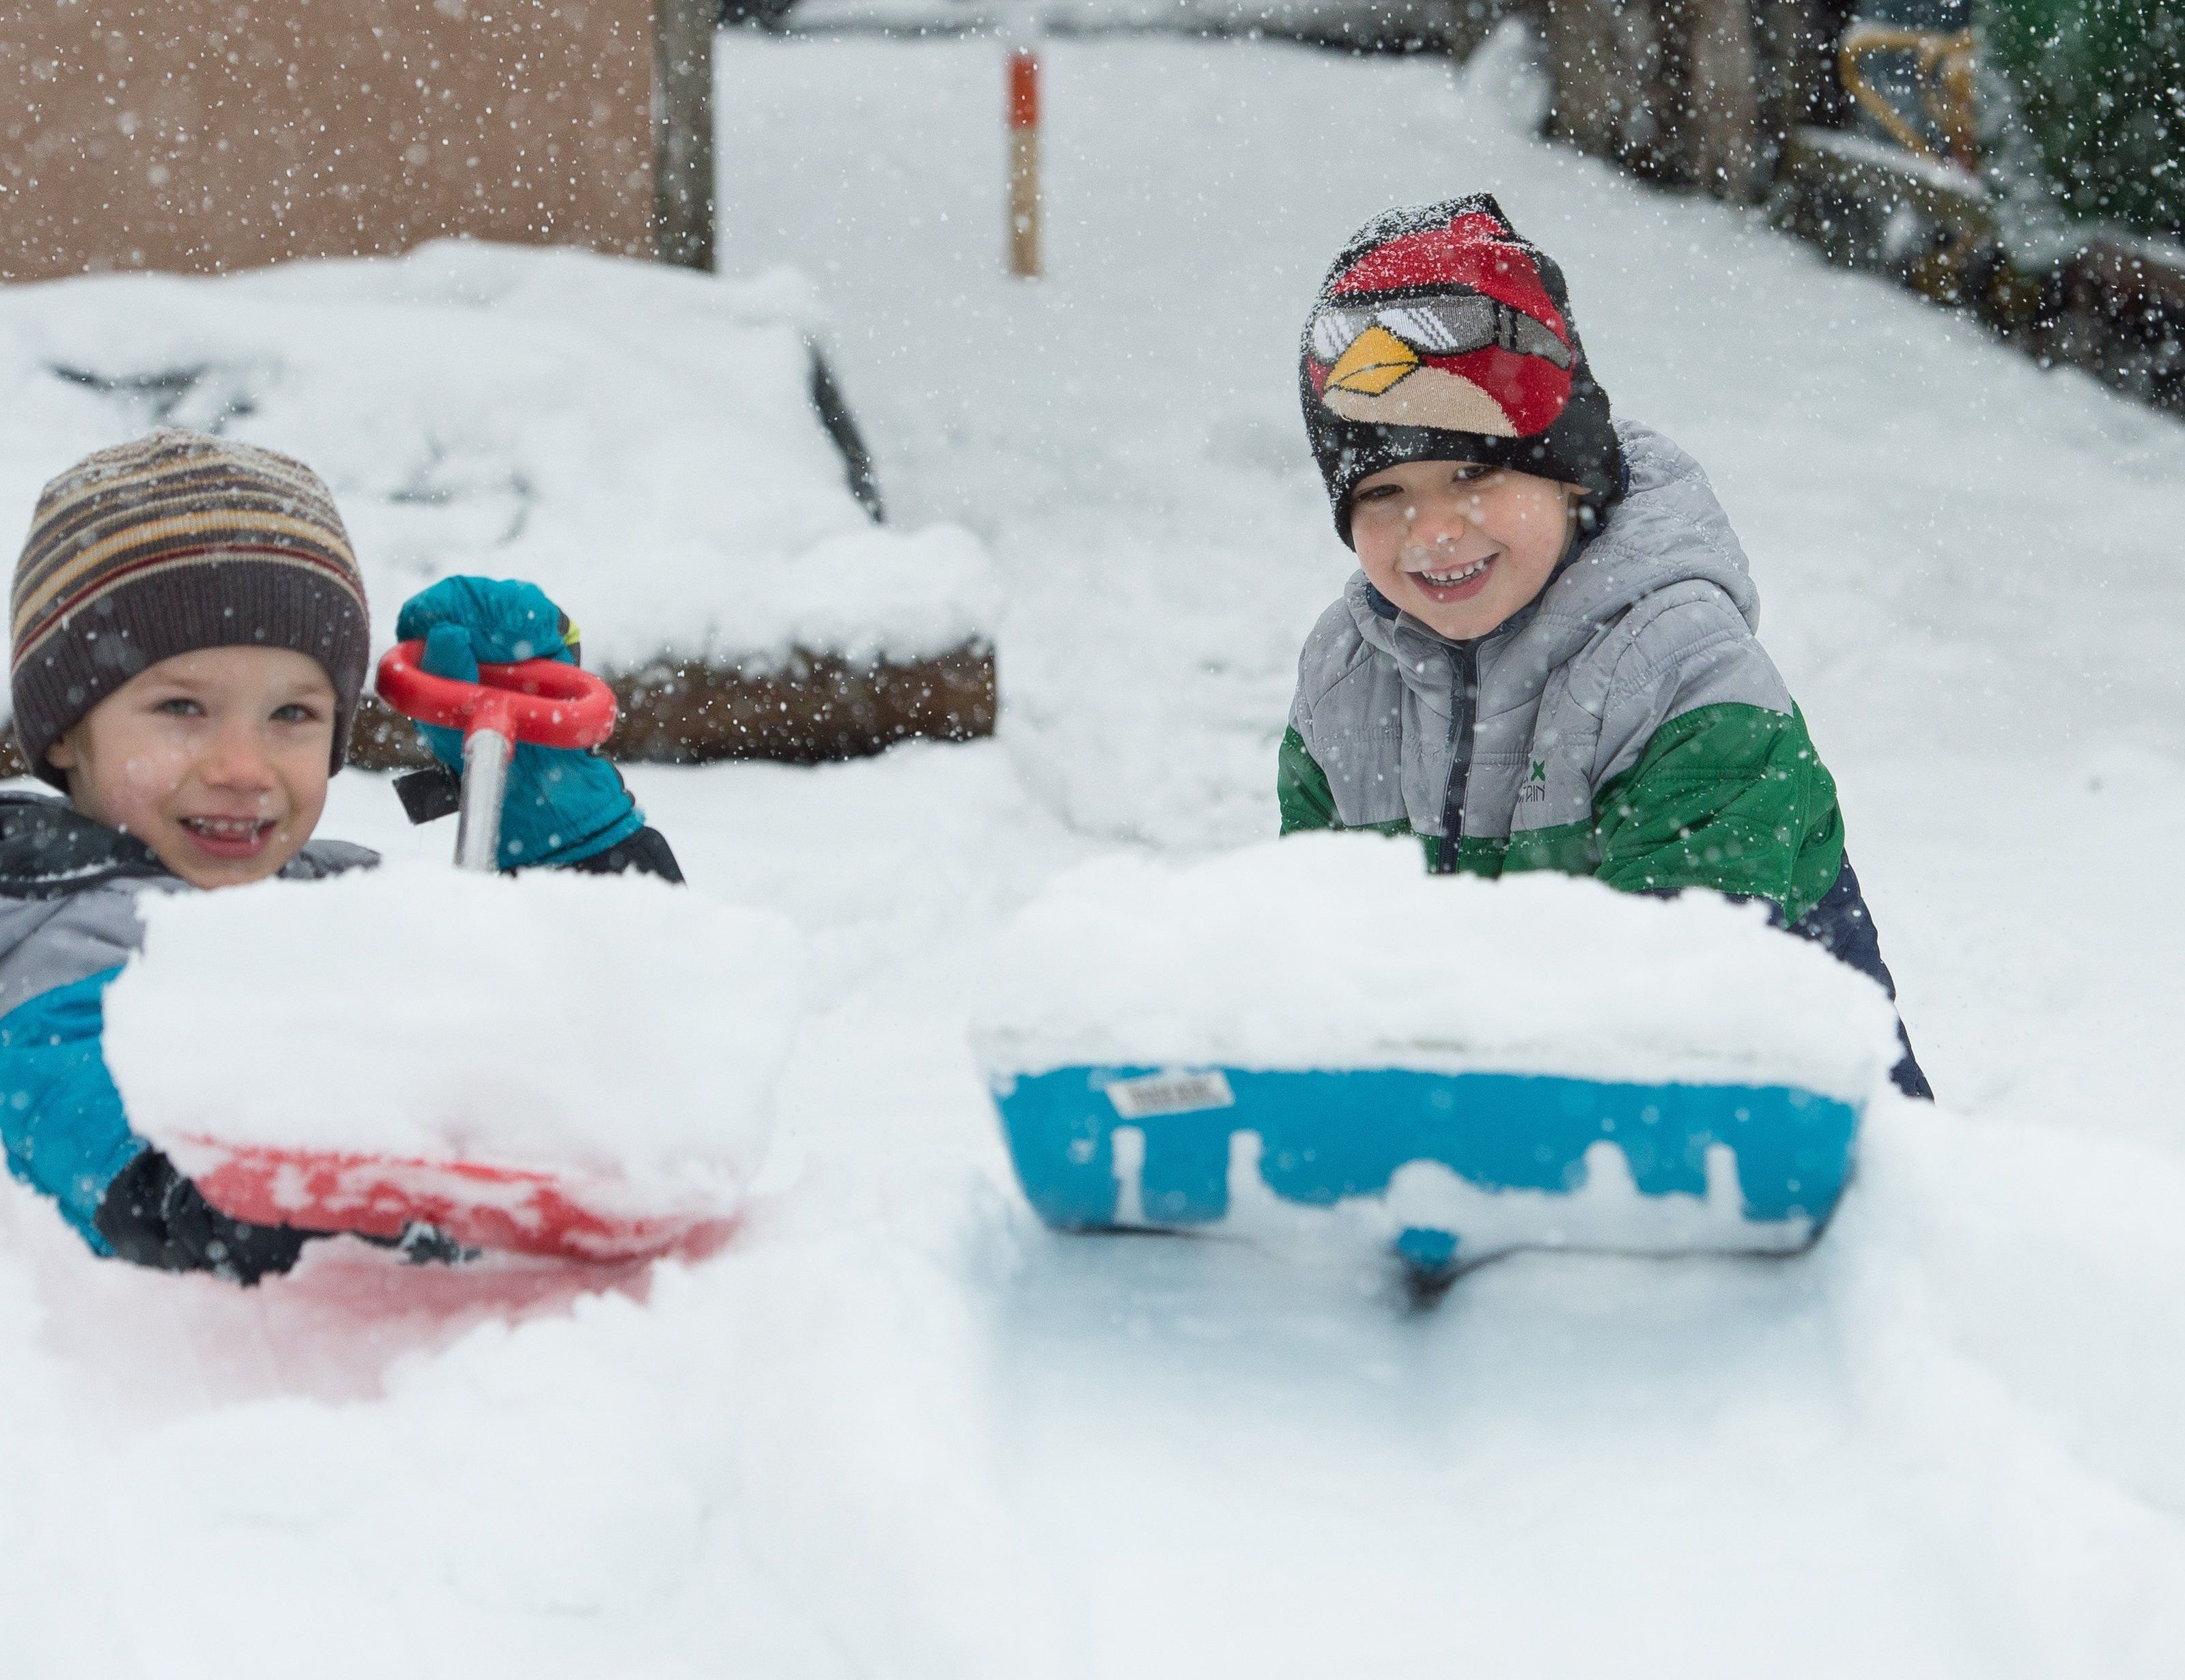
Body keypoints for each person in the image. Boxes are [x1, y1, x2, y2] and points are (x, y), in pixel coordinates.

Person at [1282, 196, 1931, 1098]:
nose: (1431, 529)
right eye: (1385, 491)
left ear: (1567, 469)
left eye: (1472, 471)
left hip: (1768, 1163)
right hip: (1477, 1149)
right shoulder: (1345, 684)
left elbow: (1667, 1022)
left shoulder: (1682, 677)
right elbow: (1318, 972)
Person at [0, 429, 681, 1281]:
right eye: (182, 708)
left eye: (291, 715)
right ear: (66, 732)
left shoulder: (344, 903)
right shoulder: (46, 938)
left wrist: (573, 848)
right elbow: (125, 1165)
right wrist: (273, 1203)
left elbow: (622, 1050)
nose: (243, 770)